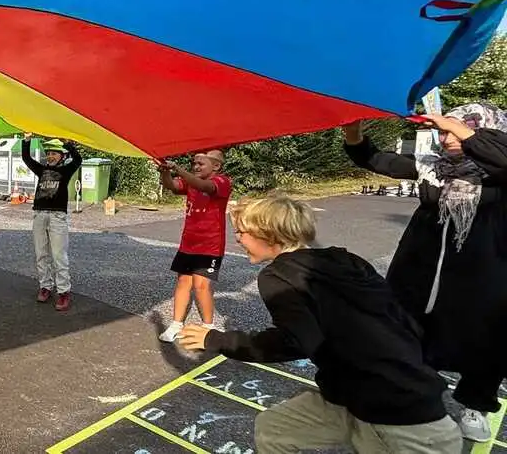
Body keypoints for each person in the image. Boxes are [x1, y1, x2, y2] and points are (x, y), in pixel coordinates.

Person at [178, 195, 461, 453]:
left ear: (268, 234)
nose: (238, 239)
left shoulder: (279, 275)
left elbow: (294, 341)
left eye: (241, 232)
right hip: (357, 396)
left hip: (403, 422)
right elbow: (399, 318)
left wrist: (214, 339)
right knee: (274, 428)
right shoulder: (347, 261)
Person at [343, 103, 507, 442]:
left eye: (458, 130)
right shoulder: (434, 167)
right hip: (419, 268)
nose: (447, 138)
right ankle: (413, 391)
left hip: (482, 273)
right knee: (408, 328)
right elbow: (376, 160)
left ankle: (475, 404)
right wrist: (353, 134)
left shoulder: (499, 173)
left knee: (483, 338)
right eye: (444, 131)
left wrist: (460, 129)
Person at [155, 150, 233, 342]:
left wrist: (177, 168)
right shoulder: (191, 181)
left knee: (201, 286)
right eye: (194, 164)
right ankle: (176, 324)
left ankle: (208, 327)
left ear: (216, 166)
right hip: (188, 244)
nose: (196, 167)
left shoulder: (222, 182)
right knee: (183, 282)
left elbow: (204, 186)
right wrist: (165, 172)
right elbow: (172, 186)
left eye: (200, 164)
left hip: (210, 246)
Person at [20, 133, 82, 311]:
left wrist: (68, 144)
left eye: (54, 153)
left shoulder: (66, 171)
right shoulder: (41, 170)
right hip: (39, 215)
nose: (50, 156)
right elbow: (26, 158)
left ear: (62, 156)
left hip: (57, 217)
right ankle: (45, 286)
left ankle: (63, 292)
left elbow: (78, 160)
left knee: (58, 256)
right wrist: (27, 140)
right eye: (48, 153)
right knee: (41, 254)